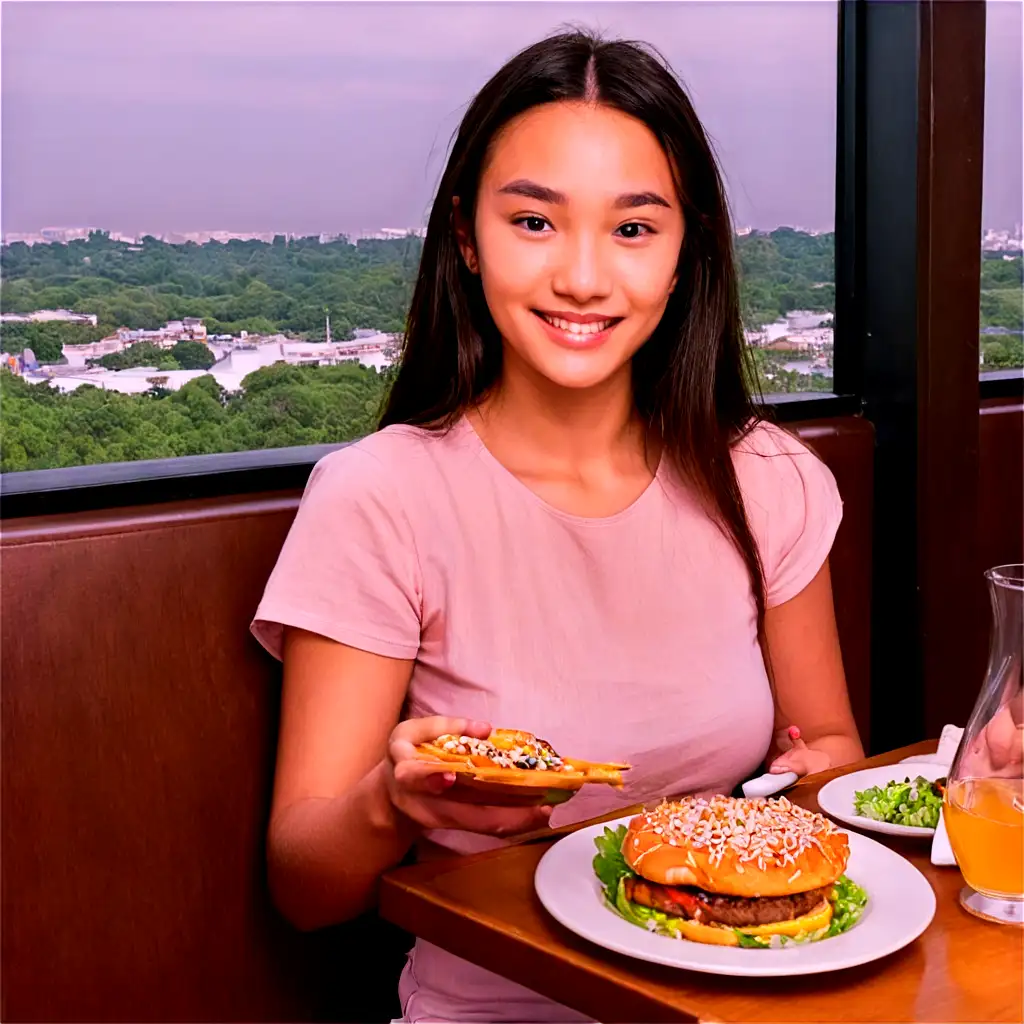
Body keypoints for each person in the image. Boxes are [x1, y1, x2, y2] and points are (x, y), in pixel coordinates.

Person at [251, 29, 864, 1023]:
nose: (582, 277)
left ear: (686, 248)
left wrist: (827, 775)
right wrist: (389, 801)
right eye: (535, 222)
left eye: (632, 230)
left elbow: (829, 741)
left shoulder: (766, 478)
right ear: (465, 234)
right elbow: (305, 890)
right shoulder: (379, 496)